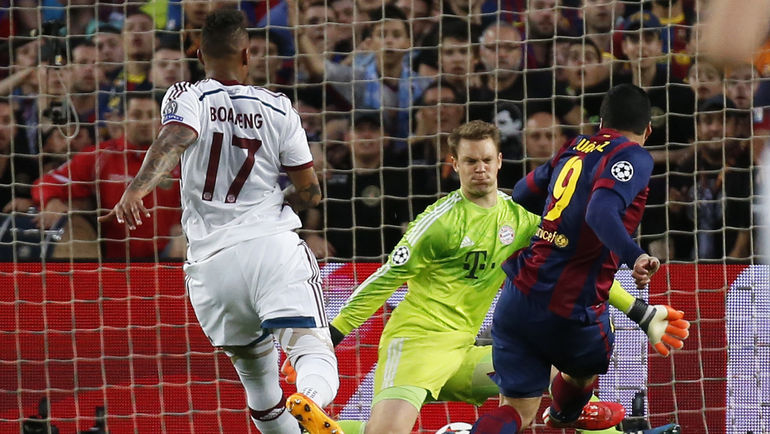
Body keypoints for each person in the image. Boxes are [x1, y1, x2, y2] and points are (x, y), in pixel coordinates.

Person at [284, 120, 689, 434]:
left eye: (486, 160)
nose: (480, 169)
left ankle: (609, 426)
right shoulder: (438, 223)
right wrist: (331, 337)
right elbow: (384, 279)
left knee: (561, 370)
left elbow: (575, 270)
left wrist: (640, 312)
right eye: (470, 162)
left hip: (465, 349)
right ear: (455, 165)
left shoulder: (520, 219)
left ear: (499, 162)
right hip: (418, 346)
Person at [99, 10, 340, 433]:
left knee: (260, 388)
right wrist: (282, 198)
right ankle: (312, 398)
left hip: (211, 267)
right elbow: (310, 192)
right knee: (311, 351)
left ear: (198, 54)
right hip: (270, 247)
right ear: (247, 54)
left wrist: (137, 188)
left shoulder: (186, 94)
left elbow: (177, 136)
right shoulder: (279, 107)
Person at [474, 84, 672, 431]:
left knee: (517, 411)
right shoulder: (636, 156)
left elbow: (521, 192)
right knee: (584, 369)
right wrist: (634, 254)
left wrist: (559, 222)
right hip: (572, 308)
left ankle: (561, 413)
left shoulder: (575, 146)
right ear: (648, 131)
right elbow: (599, 211)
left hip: (519, 295)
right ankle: (565, 412)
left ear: (601, 123)